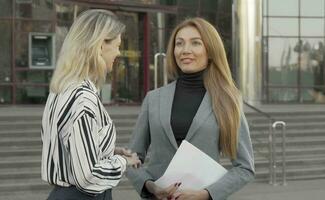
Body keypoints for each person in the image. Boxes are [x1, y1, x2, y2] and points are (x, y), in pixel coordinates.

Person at [127, 17, 255, 200]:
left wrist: (206, 194)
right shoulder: (153, 99)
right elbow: (132, 159)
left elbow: (245, 167)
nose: (185, 50)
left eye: (195, 43)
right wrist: (151, 187)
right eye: (179, 44)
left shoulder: (227, 101)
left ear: (210, 51)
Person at [41, 9, 141, 200]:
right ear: (101, 44)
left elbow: (69, 147)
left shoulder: (61, 90)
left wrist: (108, 151)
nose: (119, 52)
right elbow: (88, 176)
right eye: (117, 45)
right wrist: (123, 161)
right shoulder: (83, 99)